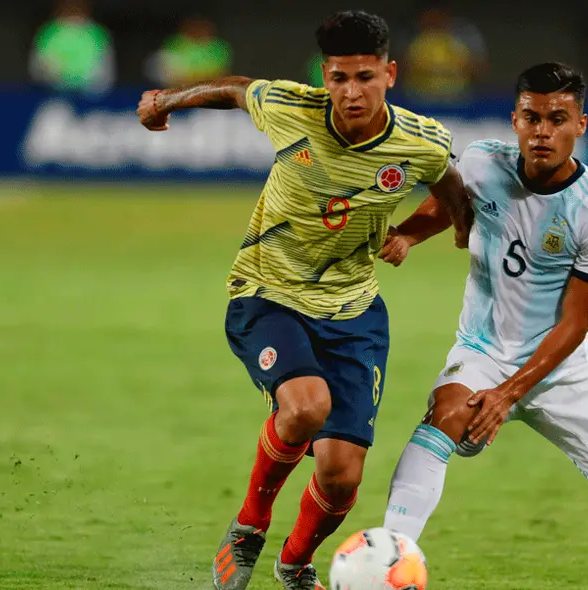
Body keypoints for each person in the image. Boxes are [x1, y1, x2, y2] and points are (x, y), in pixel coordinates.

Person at [135, 10, 470, 590]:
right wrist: (166, 101)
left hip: (353, 311)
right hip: (268, 294)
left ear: (390, 74)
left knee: (341, 477)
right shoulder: (293, 108)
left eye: (364, 77)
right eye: (339, 78)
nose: (350, 92)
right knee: (304, 407)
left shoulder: (422, 143)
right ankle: (248, 526)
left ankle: (294, 565)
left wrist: (411, 234)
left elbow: (452, 198)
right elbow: (236, 90)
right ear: (325, 75)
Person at [380, 62, 588, 590]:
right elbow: (451, 202)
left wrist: (509, 394)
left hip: (568, 366)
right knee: (443, 416)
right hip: (484, 350)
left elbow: (575, 325)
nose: (543, 131)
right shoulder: (482, 161)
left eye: (558, 119)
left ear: (580, 124)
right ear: (514, 120)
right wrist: (408, 235)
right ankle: (390, 561)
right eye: (532, 117)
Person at [30, 0, 114, 94]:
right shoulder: (47, 34)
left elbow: (105, 74)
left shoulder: (98, 34)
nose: (73, 7)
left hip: (92, 98)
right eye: (68, 4)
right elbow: (37, 71)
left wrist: (85, 84)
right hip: (53, 96)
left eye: (77, 4)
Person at [146, 15, 231, 87]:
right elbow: (168, 75)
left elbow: (222, 74)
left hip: (208, 90)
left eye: (201, 26)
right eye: (194, 26)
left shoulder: (218, 47)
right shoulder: (175, 44)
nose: (198, 30)